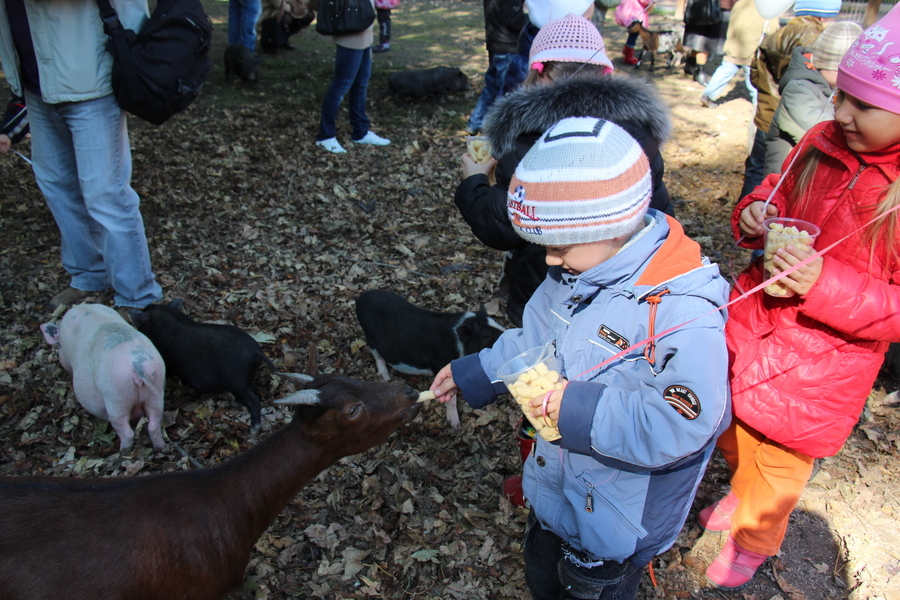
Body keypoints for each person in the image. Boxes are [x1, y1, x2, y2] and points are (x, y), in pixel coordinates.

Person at [432, 116, 731, 600]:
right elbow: (536, 340)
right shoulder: (574, 272)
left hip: (617, 517)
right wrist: (482, 370)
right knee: (543, 576)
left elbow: (683, 421)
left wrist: (577, 409)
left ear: (612, 225)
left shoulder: (681, 311)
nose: (549, 260)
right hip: (557, 485)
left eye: (560, 245)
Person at [701, 6, 900, 590]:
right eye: (840, 96)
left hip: (822, 362)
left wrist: (824, 284)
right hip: (755, 319)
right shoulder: (819, 139)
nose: (840, 113)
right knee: (732, 429)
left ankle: (756, 539)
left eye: (862, 105)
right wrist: (757, 211)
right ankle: (742, 491)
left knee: (781, 463)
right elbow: (775, 186)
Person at [455, 13, 674, 328]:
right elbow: (659, 211)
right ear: (605, 73)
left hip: (547, 291)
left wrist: (474, 181)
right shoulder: (638, 132)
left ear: (541, 75)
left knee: (541, 365)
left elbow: (503, 225)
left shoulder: (530, 140)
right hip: (624, 290)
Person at [0, 0, 163, 317]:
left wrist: (135, 65)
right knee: (57, 186)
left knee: (105, 192)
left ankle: (138, 297)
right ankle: (89, 276)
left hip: (90, 78)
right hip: (35, 82)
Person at [739, 0, 839, 198]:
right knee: (778, 177)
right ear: (821, 15)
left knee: (755, 169)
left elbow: (755, 76)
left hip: (765, 114)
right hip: (791, 118)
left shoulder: (773, 36)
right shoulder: (817, 43)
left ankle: (744, 216)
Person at [762, 21, 861, 175]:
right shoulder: (799, 88)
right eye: (841, 71)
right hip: (787, 174)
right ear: (824, 63)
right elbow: (818, 131)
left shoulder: (832, 85)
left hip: (810, 172)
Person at [315, 0, 391, 154]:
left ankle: (361, 131)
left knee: (361, 83)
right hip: (351, 25)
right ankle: (325, 135)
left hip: (364, 26)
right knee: (341, 85)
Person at [465, 0, 530, 135]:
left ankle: (475, 123)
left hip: (496, 44)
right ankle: (492, 130)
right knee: (504, 92)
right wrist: (537, 20)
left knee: (492, 87)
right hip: (507, 46)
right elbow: (513, 19)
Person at [699, 0, 779, 108]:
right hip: (752, 49)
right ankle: (759, 103)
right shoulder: (767, 6)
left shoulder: (739, 3)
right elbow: (772, 29)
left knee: (725, 71)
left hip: (734, 46)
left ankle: (708, 96)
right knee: (754, 77)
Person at [683, 0, 734, 85]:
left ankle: (691, 64)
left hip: (706, 5)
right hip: (712, 6)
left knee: (699, 37)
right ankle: (700, 71)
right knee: (706, 40)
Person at [614, 0, 653, 65]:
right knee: (633, 35)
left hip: (627, 12)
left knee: (632, 34)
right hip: (635, 15)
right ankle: (628, 56)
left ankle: (626, 52)